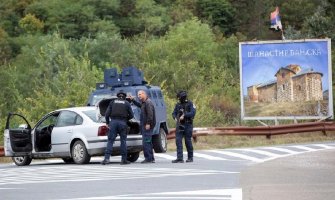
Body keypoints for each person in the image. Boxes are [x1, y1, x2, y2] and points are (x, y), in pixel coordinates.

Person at [101, 90, 134, 165]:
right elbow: (132, 115)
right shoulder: (127, 103)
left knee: (110, 141)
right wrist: (126, 119)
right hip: (123, 123)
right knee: (123, 141)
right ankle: (124, 160)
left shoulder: (112, 102)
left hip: (113, 123)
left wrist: (107, 123)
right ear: (124, 97)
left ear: (117, 96)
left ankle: (106, 159)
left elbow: (106, 114)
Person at [130, 90, 156, 163]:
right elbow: (139, 105)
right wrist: (133, 100)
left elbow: (150, 114)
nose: (139, 96)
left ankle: (148, 158)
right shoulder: (144, 103)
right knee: (148, 142)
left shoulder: (148, 103)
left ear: (144, 94)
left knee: (146, 142)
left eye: (140, 94)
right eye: (138, 95)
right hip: (145, 125)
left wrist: (148, 123)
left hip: (147, 126)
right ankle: (151, 158)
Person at [172, 90, 196, 163]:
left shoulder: (190, 103)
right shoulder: (178, 105)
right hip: (180, 125)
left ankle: (190, 157)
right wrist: (175, 117)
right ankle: (179, 158)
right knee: (178, 141)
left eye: (180, 97)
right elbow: (173, 113)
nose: (179, 99)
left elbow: (193, 113)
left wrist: (184, 115)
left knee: (187, 141)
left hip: (188, 124)